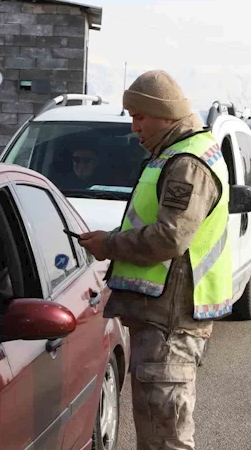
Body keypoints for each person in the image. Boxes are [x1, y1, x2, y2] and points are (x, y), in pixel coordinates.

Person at [79, 70, 232, 450]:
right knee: (156, 433)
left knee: (166, 437)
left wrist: (110, 245)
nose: (134, 128)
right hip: (162, 321)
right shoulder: (171, 156)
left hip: (170, 325)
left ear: (163, 114)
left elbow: (170, 237)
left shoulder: (187, 163)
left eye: (140, 117)